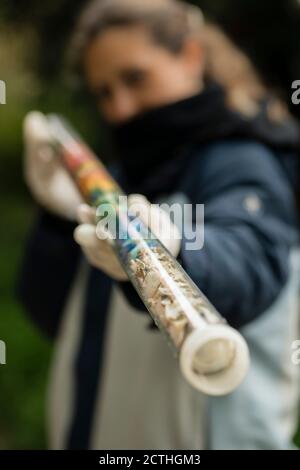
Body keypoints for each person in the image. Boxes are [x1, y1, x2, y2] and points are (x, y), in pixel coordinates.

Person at [19, 0, 300, 450]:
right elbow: (52, 317)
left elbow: (248, 262)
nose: (121, 108)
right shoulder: (119, 177)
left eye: (134, 78)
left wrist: (177, 245)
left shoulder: (241, 160)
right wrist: (57, 219)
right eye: (104, 93)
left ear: (190, 57)